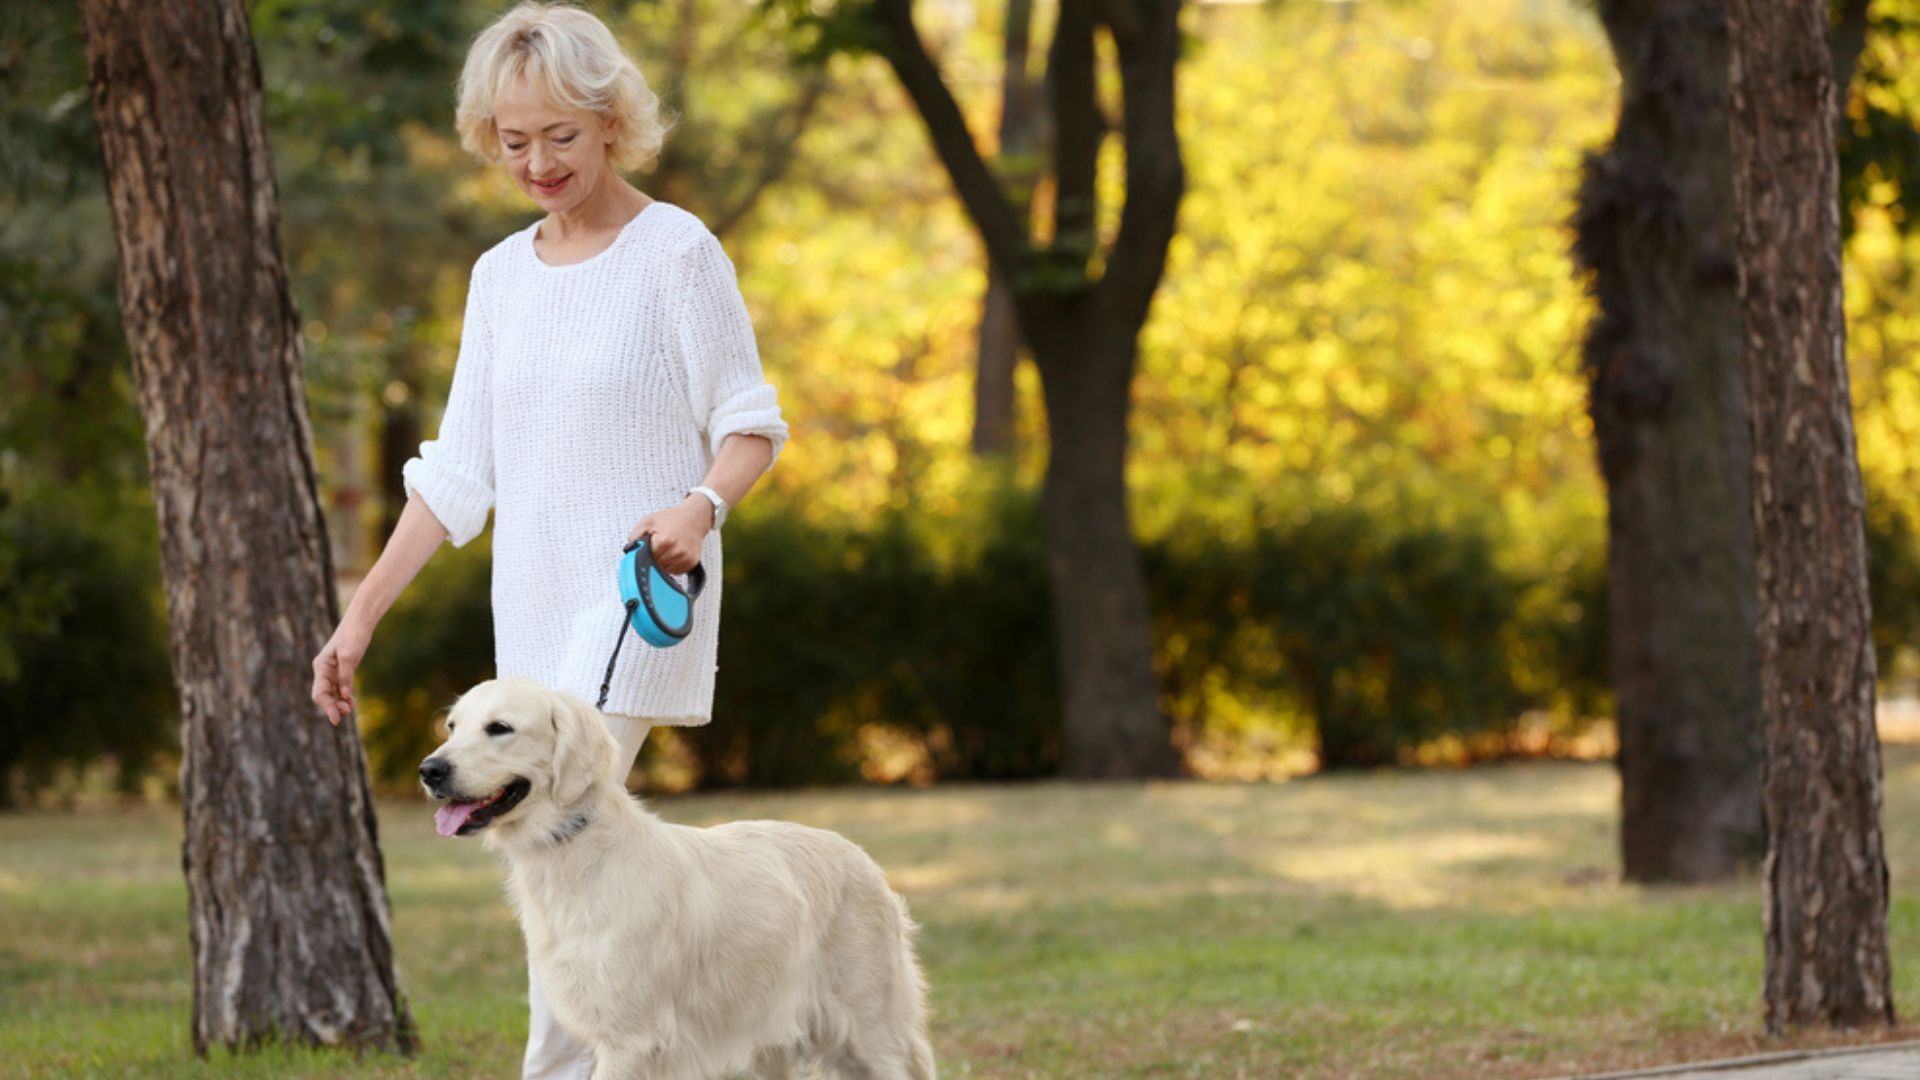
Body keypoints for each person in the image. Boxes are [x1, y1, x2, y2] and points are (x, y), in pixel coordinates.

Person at [309, 3, 789, 1076]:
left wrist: (698, 507)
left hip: (634, 602)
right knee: (569, 878)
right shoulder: (499, 277)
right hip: (529, 625)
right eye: (513, 140)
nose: (537, 161)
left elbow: (751, 426)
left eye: (559, 136)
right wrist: (359, 615)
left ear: (612, 119)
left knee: (562, 856)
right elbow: (457, 476)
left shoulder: (676, 252)